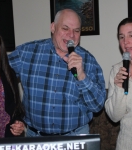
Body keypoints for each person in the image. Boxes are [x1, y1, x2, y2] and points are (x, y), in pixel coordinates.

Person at [8, 9, 106, 137]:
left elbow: (98, 106)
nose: (71, 35)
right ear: (53, 27)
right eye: (65, 28)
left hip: (75, 136)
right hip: (36, 136)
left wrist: (82, 76)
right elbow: (2, 78)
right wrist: (15, 115)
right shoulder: (26, 53)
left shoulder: (89, 61)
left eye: (76, 30)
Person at [105, 17, 132, 150]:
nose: (126, 42)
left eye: (131, 35)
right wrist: (119, 88)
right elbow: (114, 117)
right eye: (121, 37)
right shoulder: (117, 70)